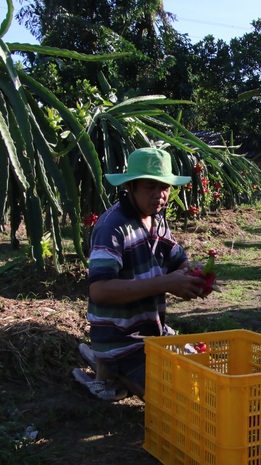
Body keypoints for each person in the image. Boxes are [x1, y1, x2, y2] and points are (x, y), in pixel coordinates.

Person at [73, 147, 206, 400]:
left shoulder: (156, 220)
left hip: (153, 334)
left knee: (201, 378)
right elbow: (99, 291)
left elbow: (178, 261)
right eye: (149, 187)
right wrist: (165, 283)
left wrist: (194, 277)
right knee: (173, 399)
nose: (160, 195)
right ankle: (110, 367)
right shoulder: (112, 227)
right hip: (122, 339)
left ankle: (109, 371)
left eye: (165, 187)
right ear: (130, 187)